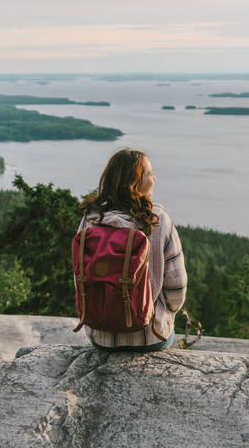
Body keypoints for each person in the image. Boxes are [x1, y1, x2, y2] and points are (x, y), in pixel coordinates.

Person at [77, 148, 187, 351]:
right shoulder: (159, 222)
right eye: (150, 174)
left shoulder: (90, 219)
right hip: (151, 338)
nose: (155, 178)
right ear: (134, 184)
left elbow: (80, 278)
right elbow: (176, 289)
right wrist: (166, 314)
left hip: (101, 337)